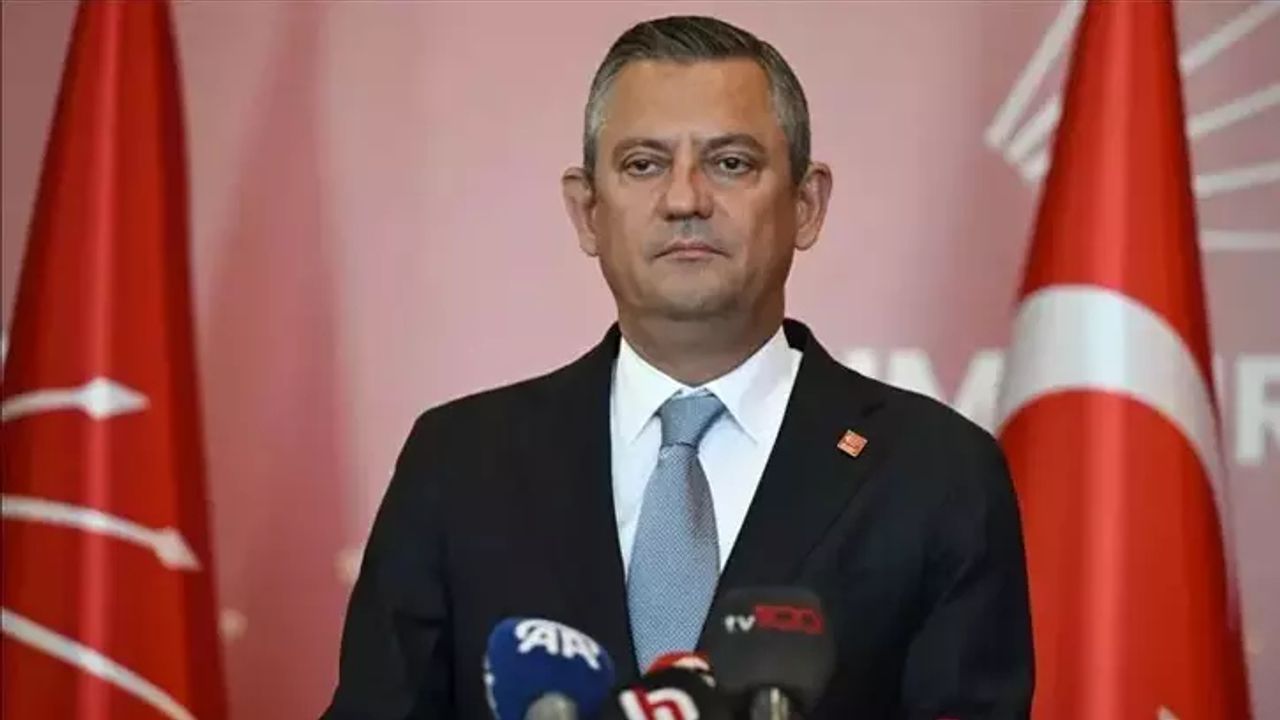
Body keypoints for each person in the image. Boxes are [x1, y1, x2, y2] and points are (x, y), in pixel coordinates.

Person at [324, 15, 1032, 719]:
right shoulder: (459, 464)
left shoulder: (936, 473)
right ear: (587, 211)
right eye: (644, 164)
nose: (685, 199)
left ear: (807, 204)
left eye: (731, 163)